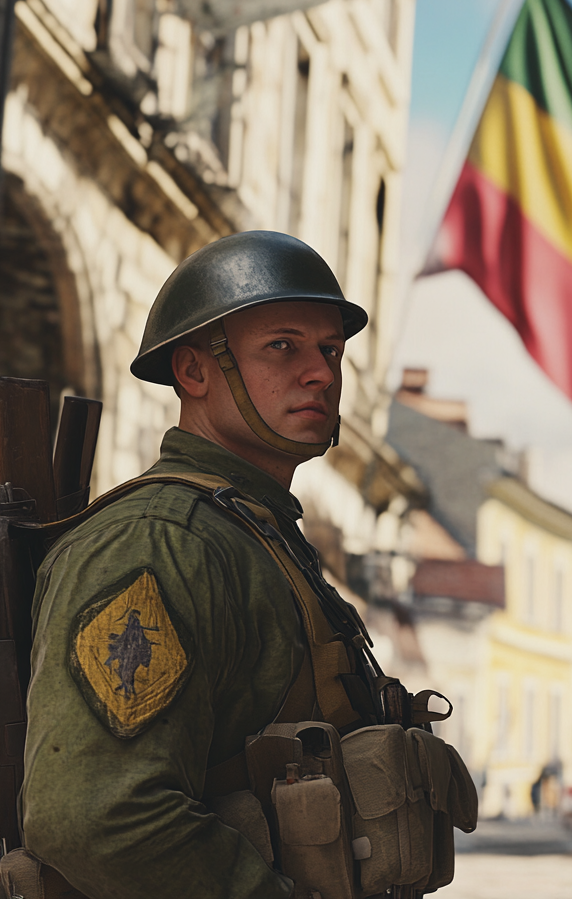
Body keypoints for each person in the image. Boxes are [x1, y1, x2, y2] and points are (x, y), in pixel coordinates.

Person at [17, 230, 375, 898]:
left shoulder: (254, 532)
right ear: (195, 371)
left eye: (331, 349)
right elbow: (97, 817)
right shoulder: (161, 542)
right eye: (283, 346)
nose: (322, 372)